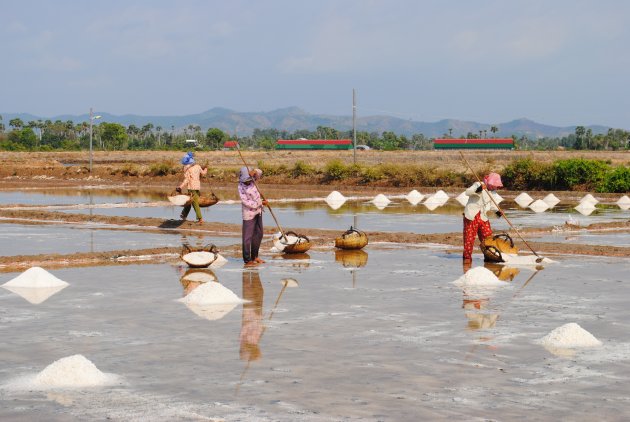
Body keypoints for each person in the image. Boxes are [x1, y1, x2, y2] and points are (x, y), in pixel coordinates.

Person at [462, 172, 503, 262]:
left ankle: (488, 256)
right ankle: (467, 258)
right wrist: (478, 189)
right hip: (472, 215)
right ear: (491, 183)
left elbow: (492, 205)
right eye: (495, 185)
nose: (496, 187)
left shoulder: (492, 192)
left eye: (496, 186)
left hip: (483, 216)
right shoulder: (478, 184)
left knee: (487, 237)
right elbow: (467, 192)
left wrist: (497, 212)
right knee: (469, 238)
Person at [238, 166, 267, 267]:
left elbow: (260, 172)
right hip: (248, 214)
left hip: (258, 211)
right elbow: (246, 202)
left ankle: (255, 256)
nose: (248, 182)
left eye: (249, 179)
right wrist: (261, 202)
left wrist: (254, 171)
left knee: (259, 234)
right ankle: (247, 259)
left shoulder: (253, 180)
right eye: (246, 180)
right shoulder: (241, 187)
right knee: (247, 237)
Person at [176, 152, 207, 223]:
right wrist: (206, 169)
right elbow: (203, 173)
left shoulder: (187, 168)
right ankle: (188, 216)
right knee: (192, 202)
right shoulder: (198, 166)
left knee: (193, 202)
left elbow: (186, 180)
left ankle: (196, 218)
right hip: (197, 187)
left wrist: (180, 187)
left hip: (191, 188)